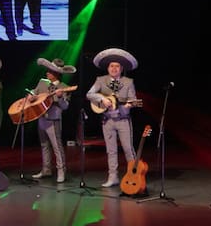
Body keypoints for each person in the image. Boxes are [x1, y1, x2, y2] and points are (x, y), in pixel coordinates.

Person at [86, 48, 140, 188]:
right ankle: (113, 177)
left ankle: (134, 176)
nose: (114, 68)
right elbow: (89, 94)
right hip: (107, 120)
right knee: (111, 150)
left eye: (117, 66)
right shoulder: (100, 80)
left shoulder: (128, 82)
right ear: (108, 68)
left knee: (128, 149)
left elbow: (133, 100)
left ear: (121, 68)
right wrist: (102, 99)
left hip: (123, 120)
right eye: (111, 66)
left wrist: (129, 105)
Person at [29, 57, 75, 183]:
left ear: (57, 74)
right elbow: (34, 92)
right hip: (41, 118)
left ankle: (61, 171)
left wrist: (60, 98)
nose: (47, 73)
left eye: (50, 71)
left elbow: (65, 106)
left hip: (53, 120)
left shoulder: (64, 87)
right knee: (44, 145)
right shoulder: (42, 82)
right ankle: (46, 169)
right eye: (47, 70)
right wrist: (31, 96)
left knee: (57, 147)